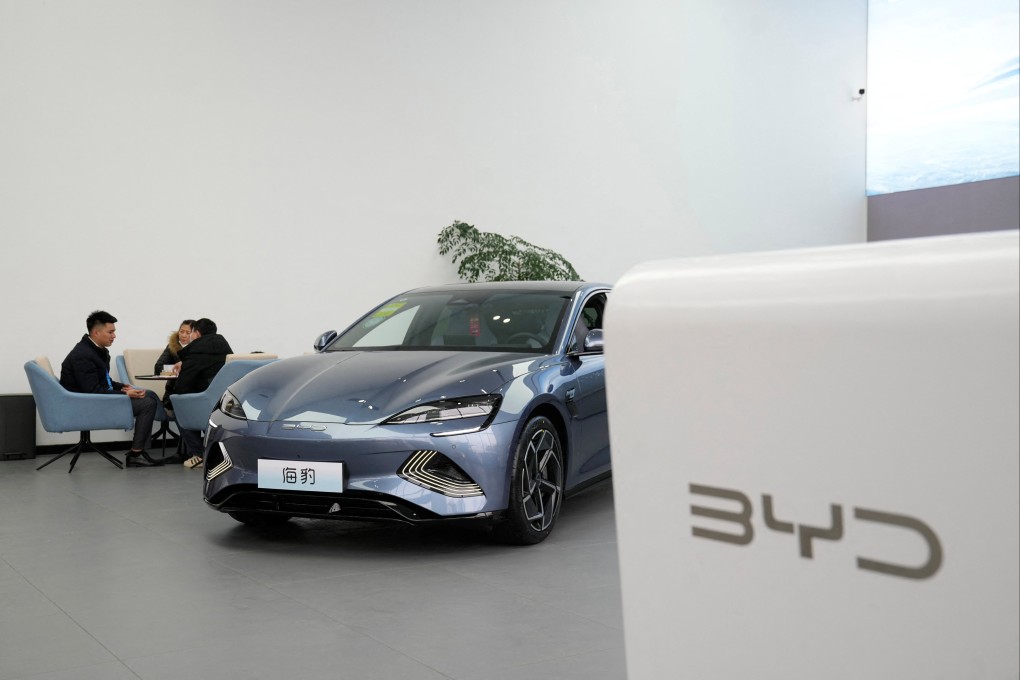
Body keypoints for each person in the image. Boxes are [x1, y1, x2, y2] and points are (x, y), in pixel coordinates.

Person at [60, 310, 162, 467]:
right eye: (111, 332)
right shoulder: (82, 355)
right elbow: (92, 391)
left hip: (95, 399)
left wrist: (122, 387)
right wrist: (125, 394)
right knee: (147, 403)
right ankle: (136, 454)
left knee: (148, 395)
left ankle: (139, 451)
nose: (114, 336)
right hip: (86, 405)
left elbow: (102, 381)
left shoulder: (95, 350)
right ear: (96, 332)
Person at [174, 317, 233, 468]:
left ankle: (198, 454)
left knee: (177, 404)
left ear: (197, 334)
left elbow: (181, 387)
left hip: (204, 405)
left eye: (191, 332)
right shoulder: (227, 352)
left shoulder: (195, 353)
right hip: (227, 405)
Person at [153, 319, 195, 412]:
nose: (183, 335)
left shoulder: (200, 349)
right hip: (174, 393)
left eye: (188, 332)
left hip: (195, 393)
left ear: (195, 334)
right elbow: (158, 369)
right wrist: (178, 370)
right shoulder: (172, 346)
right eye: (181, 331)